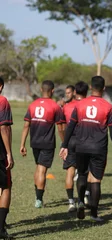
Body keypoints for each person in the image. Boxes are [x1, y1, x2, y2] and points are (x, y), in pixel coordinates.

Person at [60, 76, 112, 221]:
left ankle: (80, 201)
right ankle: (93, 214)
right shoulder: (108, 107)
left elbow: (71, 126)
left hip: (81, 146)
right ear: (104, 88)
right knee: (96, 180)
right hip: (99, 148)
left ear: (91, 88)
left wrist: (64, 145)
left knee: (81, 175)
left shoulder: (79, 105)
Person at [20, 80, 65, 208]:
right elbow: (60, 128)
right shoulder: (55, 106)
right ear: (52, 91)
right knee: (42, 170)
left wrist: (22, 144)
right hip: (47, 143)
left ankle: (37, 196)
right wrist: (64, 143)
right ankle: (39, 200)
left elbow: (26, 125)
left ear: (41, 90)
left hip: (34, 142)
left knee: (38, 167)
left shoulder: (32, 105)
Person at [62, 82, 88, 212]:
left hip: (71, 140)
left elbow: (64, 127)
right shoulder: (87, 105)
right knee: (84, 172)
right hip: (84, 141)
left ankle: (71, 202)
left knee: (70, 172)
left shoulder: (66, 107)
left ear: (74, 92)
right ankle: (84, 198)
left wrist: (64, 144)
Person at [0, 77, 14, 240]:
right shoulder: (2, 101)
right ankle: (1, 228)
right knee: (5, 186)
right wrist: (9, 153)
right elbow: (4, 127)